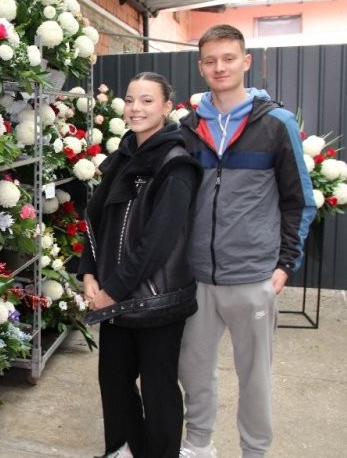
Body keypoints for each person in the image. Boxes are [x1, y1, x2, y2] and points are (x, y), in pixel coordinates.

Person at [178, 24, 317, 458]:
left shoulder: (276, 124)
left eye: (228, 58)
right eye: (210, 60)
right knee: (193, 370)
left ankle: (254, 451)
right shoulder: (188, 127)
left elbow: (299, 200)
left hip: (253, 275)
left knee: (254, 377)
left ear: (246, 62)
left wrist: (284, 264)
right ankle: (198, 444)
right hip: (197, 276)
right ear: (201, 67)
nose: (219, 67)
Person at [79, 72, 203, 458]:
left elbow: (157, 243)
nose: (136, 108)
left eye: (147, 101)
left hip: (155, 301)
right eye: (131, 100)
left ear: (166, 107)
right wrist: (88, 272)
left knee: (158, 388)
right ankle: (124, 449)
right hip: (114, 295)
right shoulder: (123, 157)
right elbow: (97, 220)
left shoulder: (176, 165)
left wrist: (112, 291)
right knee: (114, 382)